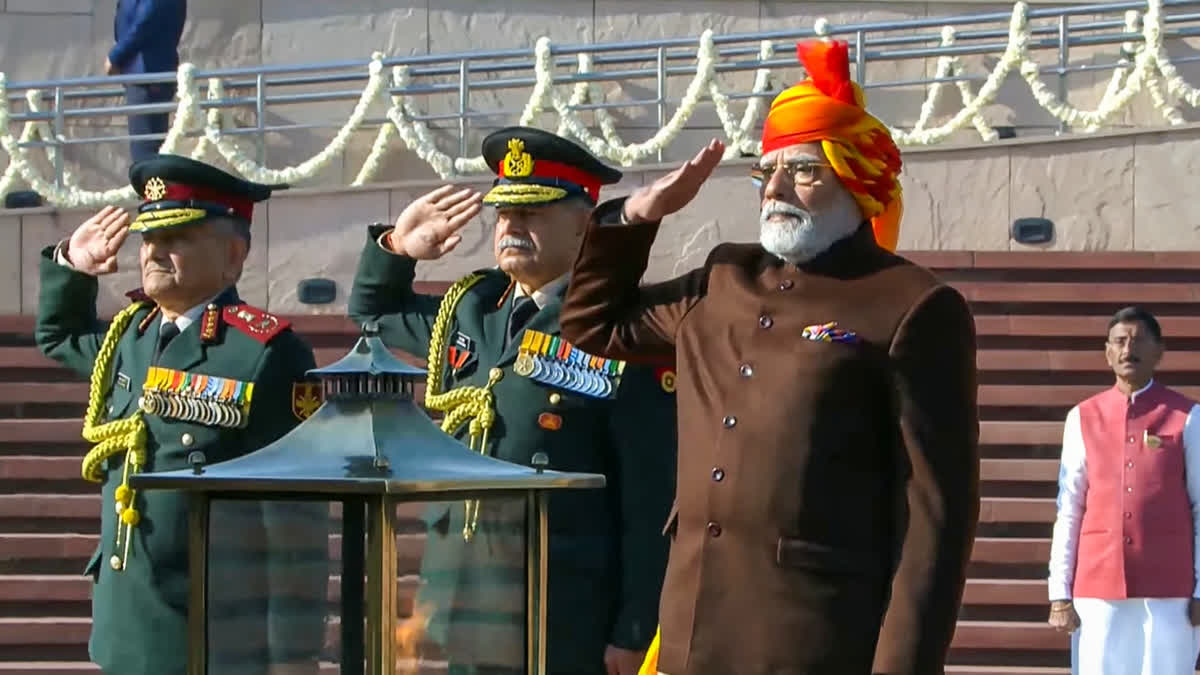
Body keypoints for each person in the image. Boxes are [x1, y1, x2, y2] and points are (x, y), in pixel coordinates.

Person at [559, 39, 980, 675]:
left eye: (803, 171)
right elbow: (593, 322)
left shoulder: (914, 305)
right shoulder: (725, 277)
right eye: (766, 171)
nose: (775, 188)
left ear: (856, 180)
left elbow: (935, 521)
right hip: (689, 639)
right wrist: (639, 214)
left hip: (813, 644)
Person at [347, 126, 677, 675]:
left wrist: (635, 627)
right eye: (504, 213)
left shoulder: (618, 330)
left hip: (563, 614)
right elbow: (372, 315)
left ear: (585, 227)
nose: (511, 227)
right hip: (464, 606)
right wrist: (398, 249)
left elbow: (649, 500)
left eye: (532, 213)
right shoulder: (470, 309)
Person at [36, 154, 328, 675]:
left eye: (177, 238)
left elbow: (295, 517)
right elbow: (59, 335)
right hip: (125, 621)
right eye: (149, 239)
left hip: (212, 631)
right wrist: (71, 265)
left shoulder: (264, 353)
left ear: (233, 257)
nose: (155, 253)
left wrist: (294, 651)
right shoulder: (131, 337)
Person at [1047, 306, 1200, 675]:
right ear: (1107, 352)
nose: (1128, 348)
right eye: (1119, 340)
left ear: (1159, 351)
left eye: (1139, 340)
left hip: (1170, 588)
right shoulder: (1082, 416)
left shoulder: (1188, 416)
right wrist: (1059, 593)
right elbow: (1069, 509)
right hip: (1098, 585)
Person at [106, 0, 187, 162]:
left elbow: (146, 20)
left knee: (145, 155)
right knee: (148, 152)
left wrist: (116, 56)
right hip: (144, 72)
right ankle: (152, 186)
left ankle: (151, 187)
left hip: (147, 73)